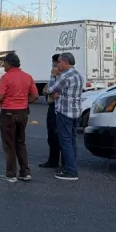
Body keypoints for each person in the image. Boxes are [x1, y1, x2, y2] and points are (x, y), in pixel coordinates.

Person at [0, 52, 38, 183]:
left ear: (9, 63)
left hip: (8, 112)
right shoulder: (27, 77)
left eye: (4, 63)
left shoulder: (5, 77)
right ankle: (25, 172)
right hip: (22, 112)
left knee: (9, 144)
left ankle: (11, 174)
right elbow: (35, 96)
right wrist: (24, 102)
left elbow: (0, 96)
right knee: (20, 142)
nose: (3, 65)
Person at [46, 52, 84, 181]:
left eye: (59, 62)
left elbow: (50, 89)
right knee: (72, 140)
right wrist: (59, 92)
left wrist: (53, 76)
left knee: (65, 141)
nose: (57, 65)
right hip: (76, 112)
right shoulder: (78, 75)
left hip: (65, 112)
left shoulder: (64, 76)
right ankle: (71, 166)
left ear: (65, 62)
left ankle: (71, 171)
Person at [39, 53, 63, 169]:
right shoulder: (54, 75)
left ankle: (59, 163)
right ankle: (52, 160)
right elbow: (46, 89)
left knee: (56, 134)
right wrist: (47, 90)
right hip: (52, 105)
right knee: (51, 136)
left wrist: (48, 89)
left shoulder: (59, 75)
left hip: (57, 106)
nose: (53, 66)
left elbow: (52, 91)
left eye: (54, 63)